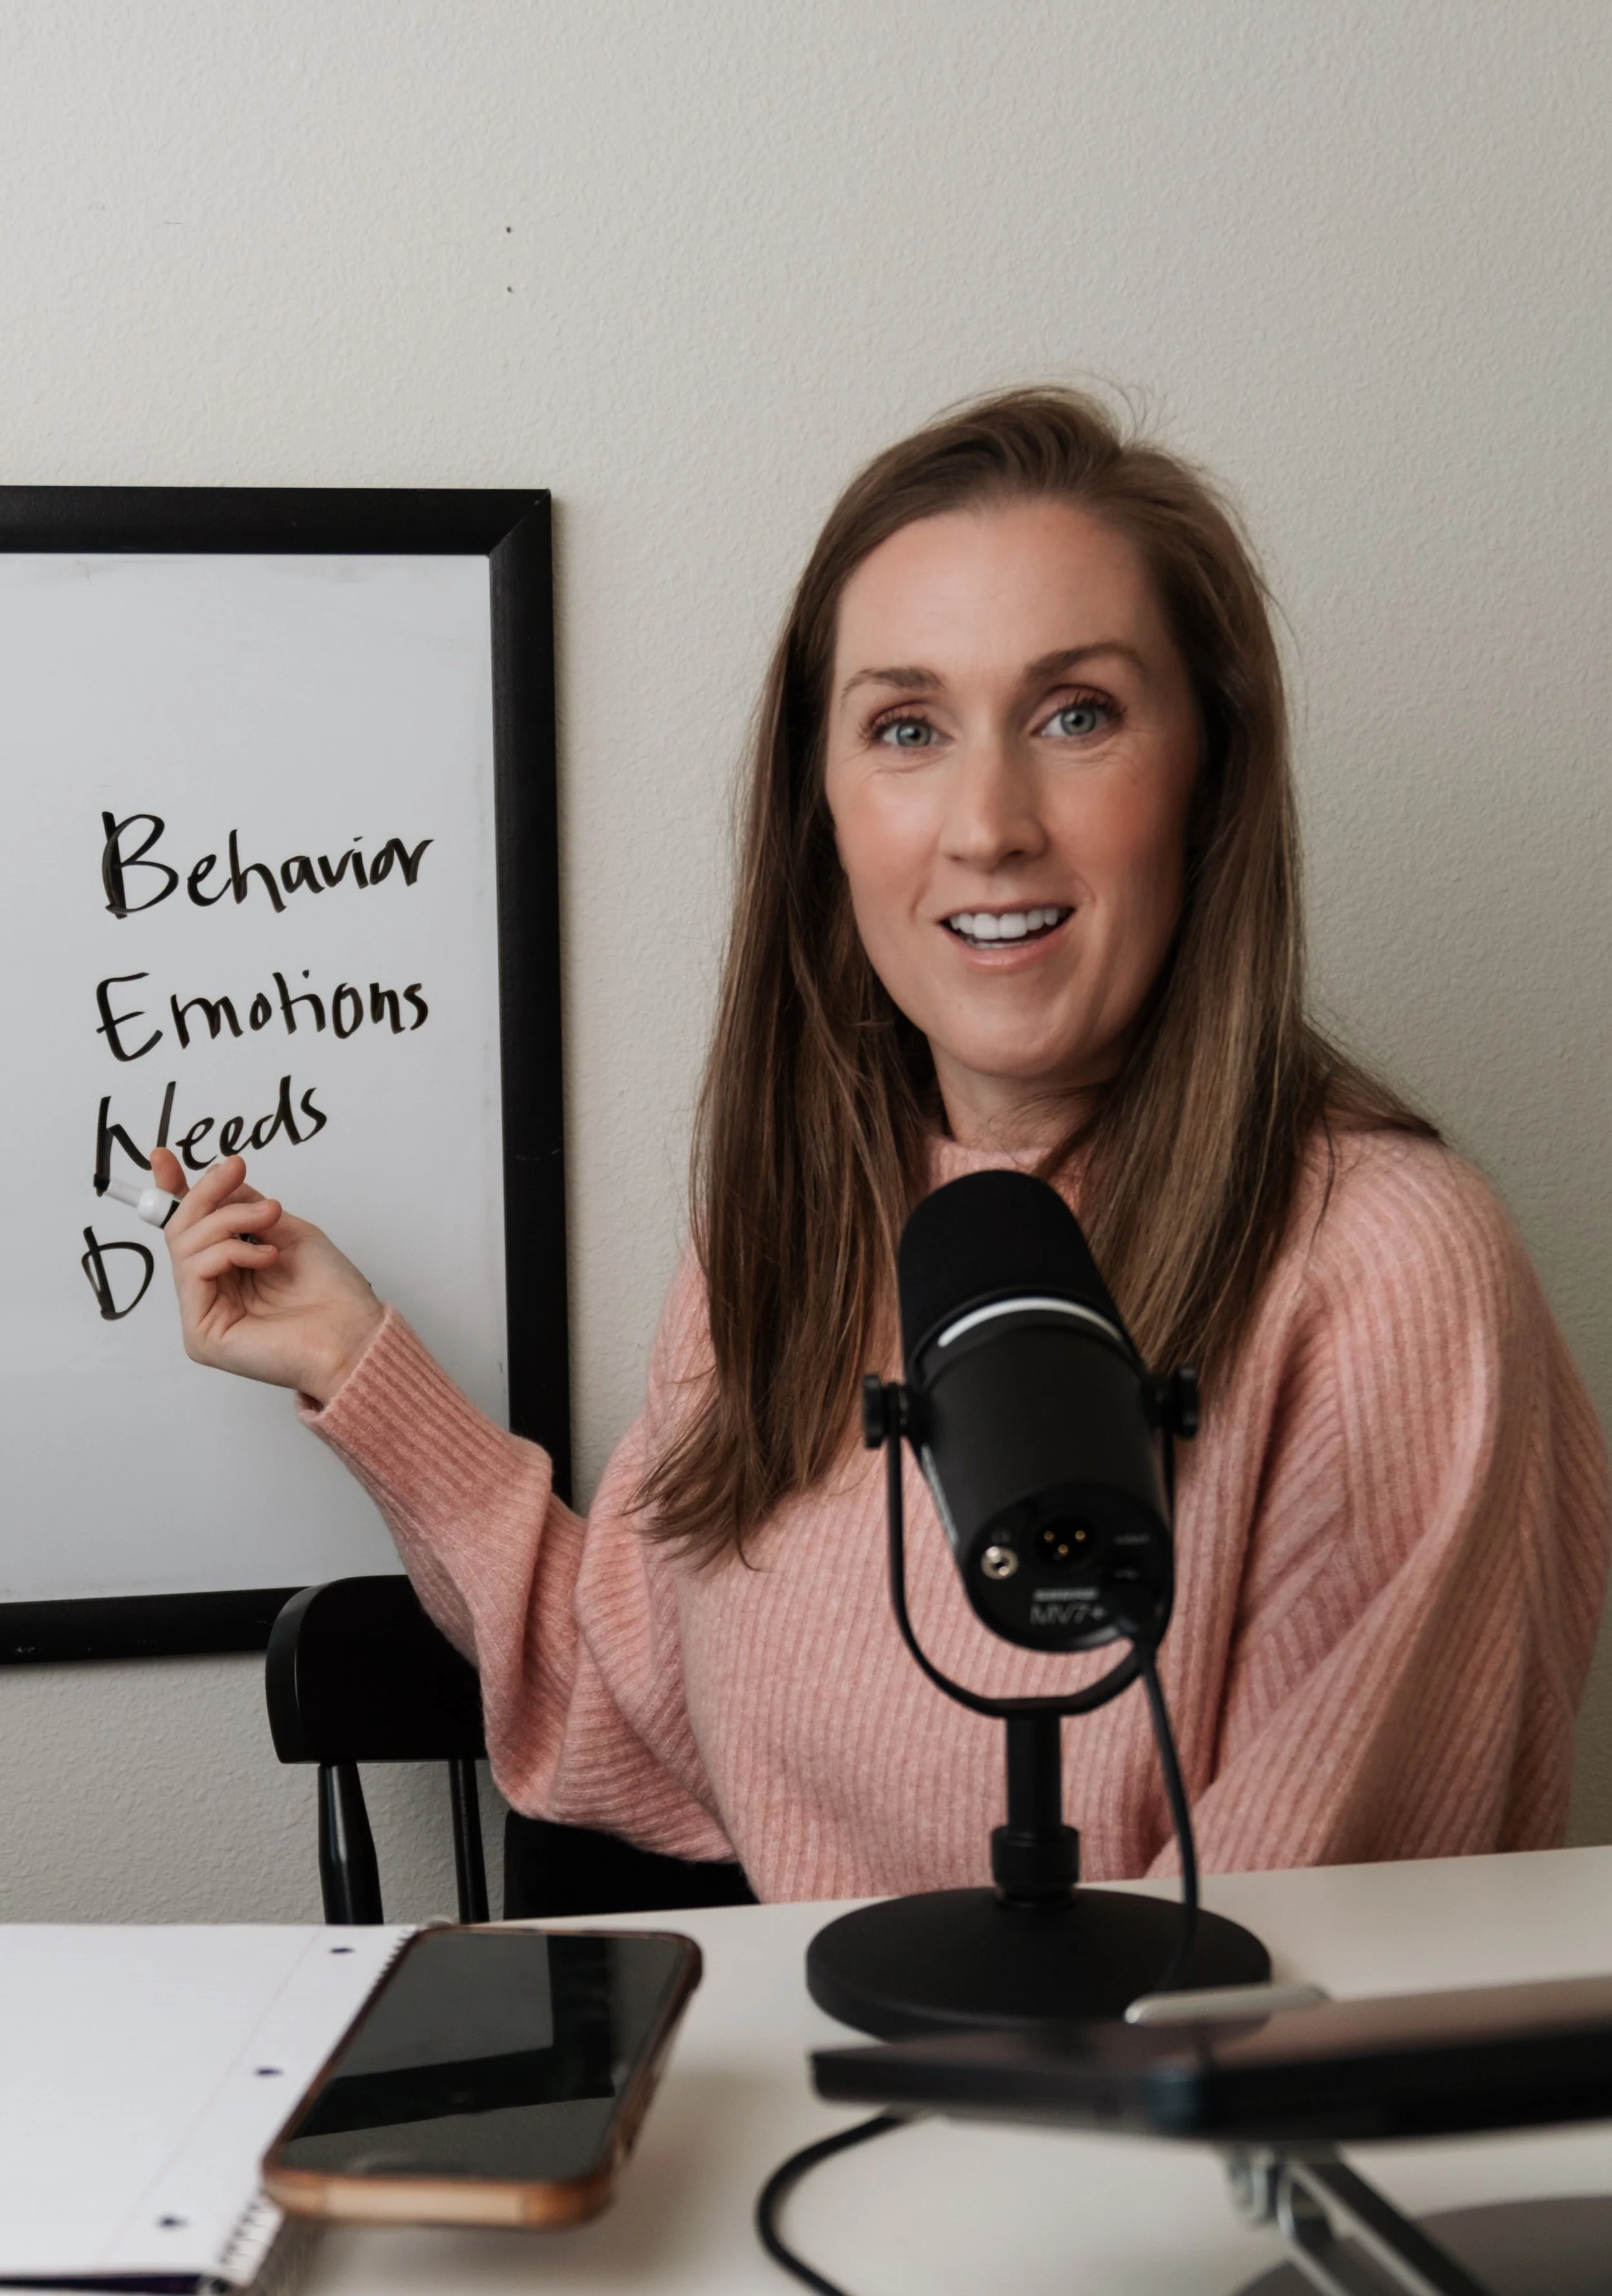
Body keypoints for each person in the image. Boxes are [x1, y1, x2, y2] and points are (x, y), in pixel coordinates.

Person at [153, 389, 1608, 1900]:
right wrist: (356, 1361)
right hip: (830, 2104)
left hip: (1128, 2129)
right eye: (906, 728)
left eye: (1075, 715)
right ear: (825, 814)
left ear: (1210, 780)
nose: (987, 823)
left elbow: (1279, 1974)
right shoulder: (786, 1234)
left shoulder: (1384, 1270)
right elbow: (628, 1704)